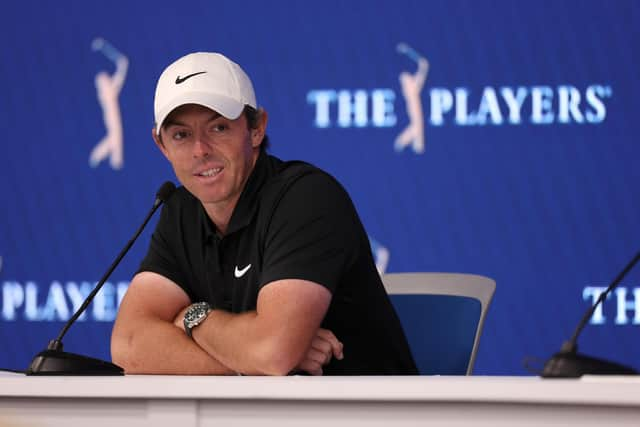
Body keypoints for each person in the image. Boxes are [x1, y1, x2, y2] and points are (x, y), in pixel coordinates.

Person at [111, 52, 417, 376]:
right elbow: (129, 345)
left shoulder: (306, 198)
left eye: (218, 128)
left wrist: (192, 319)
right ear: (162, 145)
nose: (200, 150)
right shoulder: (179, 209)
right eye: (181, 135)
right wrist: (248, 359)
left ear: (256, 128)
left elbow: (271, 352)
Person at [89, 38, 128, 170]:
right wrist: (104, 47)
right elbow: (123, 63)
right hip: (112, 120)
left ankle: (105, 159)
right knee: (115, 138)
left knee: (115, 139)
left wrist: (105, 47)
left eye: (106, 78)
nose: (106, 79)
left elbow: (123, 63)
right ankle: (100, 158)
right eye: (103, 80)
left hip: (113, 120)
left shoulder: (110, 91)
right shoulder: (107, 94)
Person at [395, 43, 429, 154]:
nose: (405, 81)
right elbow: (424, 64)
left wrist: (408, 50)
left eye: (407, 78)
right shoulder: (410, 90)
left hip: (415, 111)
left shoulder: (414, 86)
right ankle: (401, 144)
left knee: (417, 129)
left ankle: (410, 145)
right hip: (413, 110)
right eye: (403, 81)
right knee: (416, 127)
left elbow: (423, 64)